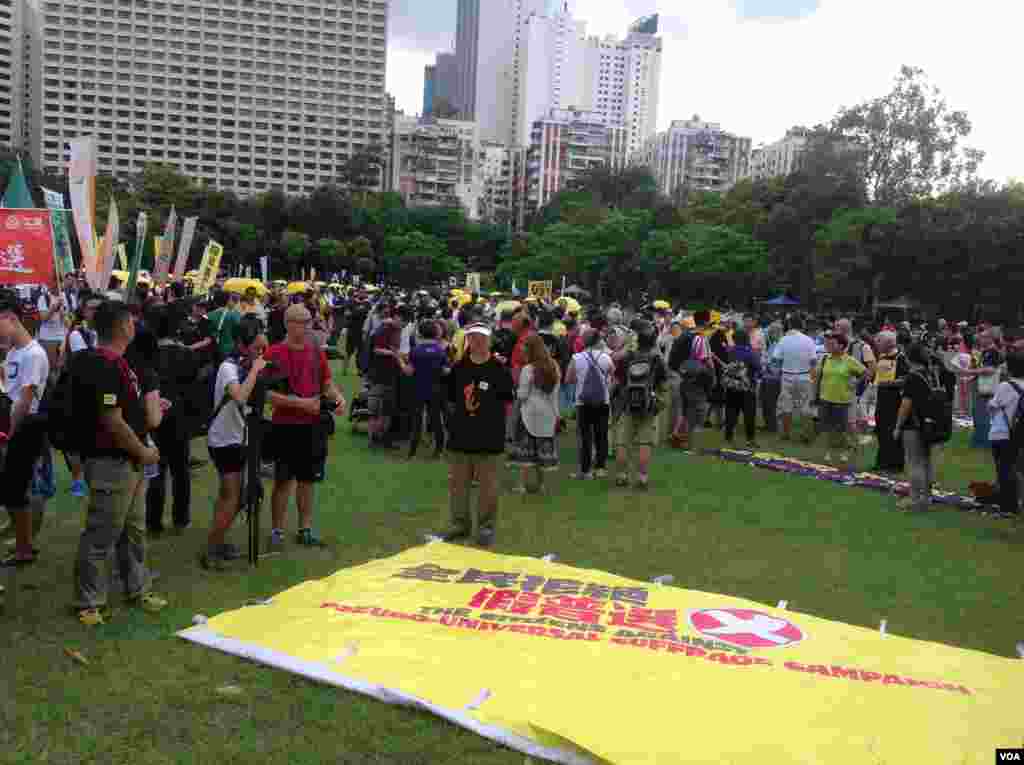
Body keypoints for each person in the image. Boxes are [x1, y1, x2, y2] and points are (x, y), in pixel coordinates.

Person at [67, 299, 166, 625]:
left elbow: (126, 411)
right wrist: (142, 451)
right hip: (113, 461)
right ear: (123, 326)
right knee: (102, 533)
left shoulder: (120, 363)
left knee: (134, 530)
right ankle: (88, 601)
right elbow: (112, 420)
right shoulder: (105, 364)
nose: (134, 326)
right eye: (131, 321)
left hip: (130, 460)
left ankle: (137, 589)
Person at [264, 303, 346, 550]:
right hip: (285, 426)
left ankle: (305, 528)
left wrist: (338, 397)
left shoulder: (315, 352)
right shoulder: (274, 353)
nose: (308, 326)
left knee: (308, 480)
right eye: (302, 321)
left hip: (312, 427)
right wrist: (299, 403)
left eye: (309, 321)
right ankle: (277, 530)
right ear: (289, 324)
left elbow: (326, 383)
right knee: (282, 481)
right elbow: (265, 394)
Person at [200, 316, 269, 569]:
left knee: (230, 496)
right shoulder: (228, 367)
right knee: (233, 496)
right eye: (256, 349)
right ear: (241, 344)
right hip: (225, 440)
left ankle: (218, 542)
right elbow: (240, 396)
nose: (260, 353)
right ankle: (212, 551)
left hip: (239, 437)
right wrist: (255, 369)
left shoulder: (245, 363)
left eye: (263, 349)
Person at [437, 323, 514, 547]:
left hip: (489, 438)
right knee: (458, 485)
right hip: (461, 436)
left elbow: (508, 399)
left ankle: (485, 527)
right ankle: (460, 524)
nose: (477, 342)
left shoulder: (498, 369)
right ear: (467, 340)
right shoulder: (459, 368)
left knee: (488, 487)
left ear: (488, 341)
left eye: (481, 338)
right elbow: (450, 399)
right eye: (473, 338)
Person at [0, 290, 50, 567]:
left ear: (10, 318)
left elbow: (25, 399)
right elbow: (8, 389)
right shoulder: (14, 352)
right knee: (13, 490)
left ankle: (24, 547)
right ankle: (23, 542)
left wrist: (9, 434)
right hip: (13, 425)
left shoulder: (34, 354)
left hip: (25, 427)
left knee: (17, 490)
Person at [143, 305, 199, 535]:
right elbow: (193, 388)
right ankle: (181, 518)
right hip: (180, 417)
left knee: (156, 469)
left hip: (154, 414)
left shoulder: (148, 355)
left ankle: (154, 521)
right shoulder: (186, 354)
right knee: (180, 470)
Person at [612, 321, 667, 490]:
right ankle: (642, 477)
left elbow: (619, 380)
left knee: (622, 442)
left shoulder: (628, 357)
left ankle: (621, 475)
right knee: (645, 443)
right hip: (648, 405)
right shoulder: (657, 359)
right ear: (653, 342)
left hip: (628, 402)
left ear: (638, 340)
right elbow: (663, 384)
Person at [508, 334, 561, 493]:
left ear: (531, 349)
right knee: (542, 450)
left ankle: (522, 485)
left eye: (524, 346)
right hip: (548, 412)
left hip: (529, 412)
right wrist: (557, 413)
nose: (522, 349)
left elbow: (523, 395)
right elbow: (555, 393)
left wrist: (516, 392)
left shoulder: (528, 369)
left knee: (526, 450)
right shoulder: (554, 366)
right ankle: (542, 485)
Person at [893, 343, 940, 513]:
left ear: (908, 357)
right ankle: (927, 497)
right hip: (930, 423)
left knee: (914, 462)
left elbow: (906, 404)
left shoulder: (912, 377)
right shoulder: (930, 374)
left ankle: (915, 499)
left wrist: (898, 426)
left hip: (913, 424)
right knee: (926, 461)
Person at [810, 332, 867, 464]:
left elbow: (865, 373)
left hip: (842, 400)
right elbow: (818, 377)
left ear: (841, 346)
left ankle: (847, 450)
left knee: (842, 429)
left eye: (832, 343)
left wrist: (856, 383)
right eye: (828, 343)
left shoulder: (849, 360)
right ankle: (829, 452)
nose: (828, 345)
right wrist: (815, 395)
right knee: (827, 428)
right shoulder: (825, 359)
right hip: (825, 398)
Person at [566, 328, 614, 479]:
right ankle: (600, 468)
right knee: (602, 435)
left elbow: (569, 379)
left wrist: (581, 379)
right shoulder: (606, 357)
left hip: (583, 401)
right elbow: (613, 375)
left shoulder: (577, 358)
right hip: (602, 400)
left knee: (585, 436)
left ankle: (585, 470)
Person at [667, 310, 713, 450]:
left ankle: (676, 434)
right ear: (705, 323)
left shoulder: (684, 335)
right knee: (700, 408)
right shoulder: (700, 338)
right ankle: (691, 441)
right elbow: (706, 360)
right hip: (696, 377)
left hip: (681, 375)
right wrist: (712, 375)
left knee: (685, 409)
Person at [987, 351, 1024, 516]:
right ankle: (1016, 501)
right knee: (1016, 468)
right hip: (1019, 432)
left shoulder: (1005, 386)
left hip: (1003, 432)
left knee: (1004, 470)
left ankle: (1008, 507)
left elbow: (993, 406)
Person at [407, 319, 449, 460]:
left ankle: (412, 452)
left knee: (417, 421)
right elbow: (445, 371)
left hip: (418, 388)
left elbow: (409, 371)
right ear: (436, 333)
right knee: (436, 420)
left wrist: (399, 360)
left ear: (420, 333)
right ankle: (438, 450)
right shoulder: (440, 351)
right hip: (436, 389)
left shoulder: (415, 351)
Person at [773, 316, 817, 442]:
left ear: (789, 325)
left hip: (787, 376)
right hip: (805, 375)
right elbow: (813, 361)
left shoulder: (783, 340)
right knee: (805, 406)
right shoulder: (809, 340)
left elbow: (776, 359)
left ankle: (786, 433)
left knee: (786, 406)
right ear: (802, 325)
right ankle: (805, 434)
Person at [872, 331, 910, 473]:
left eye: (879, 341)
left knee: (892, 431)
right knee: (881, 430)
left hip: (895, 400)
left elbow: (906, 379)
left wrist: (889, 383)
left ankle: (895, 465)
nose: (877, 344)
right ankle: (882, 462)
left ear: (889, 343)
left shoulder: (900, 358)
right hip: (881, 399)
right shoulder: (882, 357)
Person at [723, 328, 761, 448]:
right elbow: (757, 367)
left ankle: (728, 437)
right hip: (747, 387)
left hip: (731, 387)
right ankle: (750, 439)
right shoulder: (750, 352)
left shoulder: (730, 352)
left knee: (731, 412)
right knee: (749, 414)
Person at [969, 329, 1003, 448]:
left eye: (983, 337)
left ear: (990, 338)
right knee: (978, 413)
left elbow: (990, 370)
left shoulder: (993, 352)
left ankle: (983, 441)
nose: (980, 339)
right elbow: (981, 366)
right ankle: (979, 439)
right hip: (982, 386)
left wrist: (972, 371)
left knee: (982, 414)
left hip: (987, 387)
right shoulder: (985, 351)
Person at [35, 283, 67, 381]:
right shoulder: (43, 298)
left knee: (62, 369)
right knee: (50, 370)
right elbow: (43, 318)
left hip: (63, 338)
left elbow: (69, 319)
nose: (56, 285)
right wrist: (53, 308)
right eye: (52, 282)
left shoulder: (67, 297)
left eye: (58, 283)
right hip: (48, 339)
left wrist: (64, 314)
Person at [760, 321, 784, 434]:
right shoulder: (772, 343)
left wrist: (766, 364)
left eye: (771, 332)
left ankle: (773, 426)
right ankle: (769, 425)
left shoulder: (781, 344)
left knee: (772, 404)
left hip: (774, 378)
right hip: (767, 377)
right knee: (766, 403)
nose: (769, 334)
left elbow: (776, 362)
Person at [207, 291, 242, 362]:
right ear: (228, 301)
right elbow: (239, 333)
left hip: (212, 350)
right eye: (231, 299)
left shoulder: (208, 315)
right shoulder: (235, 315)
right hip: (229, 350)